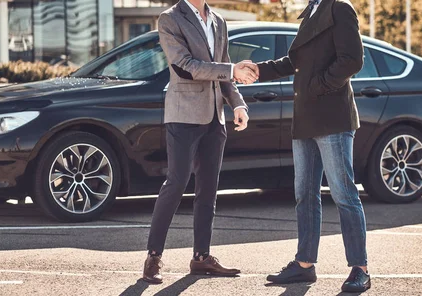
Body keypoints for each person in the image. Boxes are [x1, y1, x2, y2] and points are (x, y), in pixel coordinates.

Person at [247, 0, 370, 292]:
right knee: (304, 194)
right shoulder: (311, 11)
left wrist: (318, 85)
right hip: (305, 120)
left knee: (344, 194)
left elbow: (352, 59)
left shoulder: (339, 7)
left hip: (332, 119)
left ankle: (360, 269)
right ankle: (304, 265)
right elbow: (296, 62)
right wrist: (258, 70)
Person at [141, 0, 258, 284]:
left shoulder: (218, 21)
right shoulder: (170, 19)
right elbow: (184, 66)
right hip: (183, 116)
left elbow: (223, 74)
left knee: (208, 189)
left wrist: (238, 105)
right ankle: (153, 257)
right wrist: (231, 70)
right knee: (177, 182)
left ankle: (201, 258)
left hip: (214, 119)